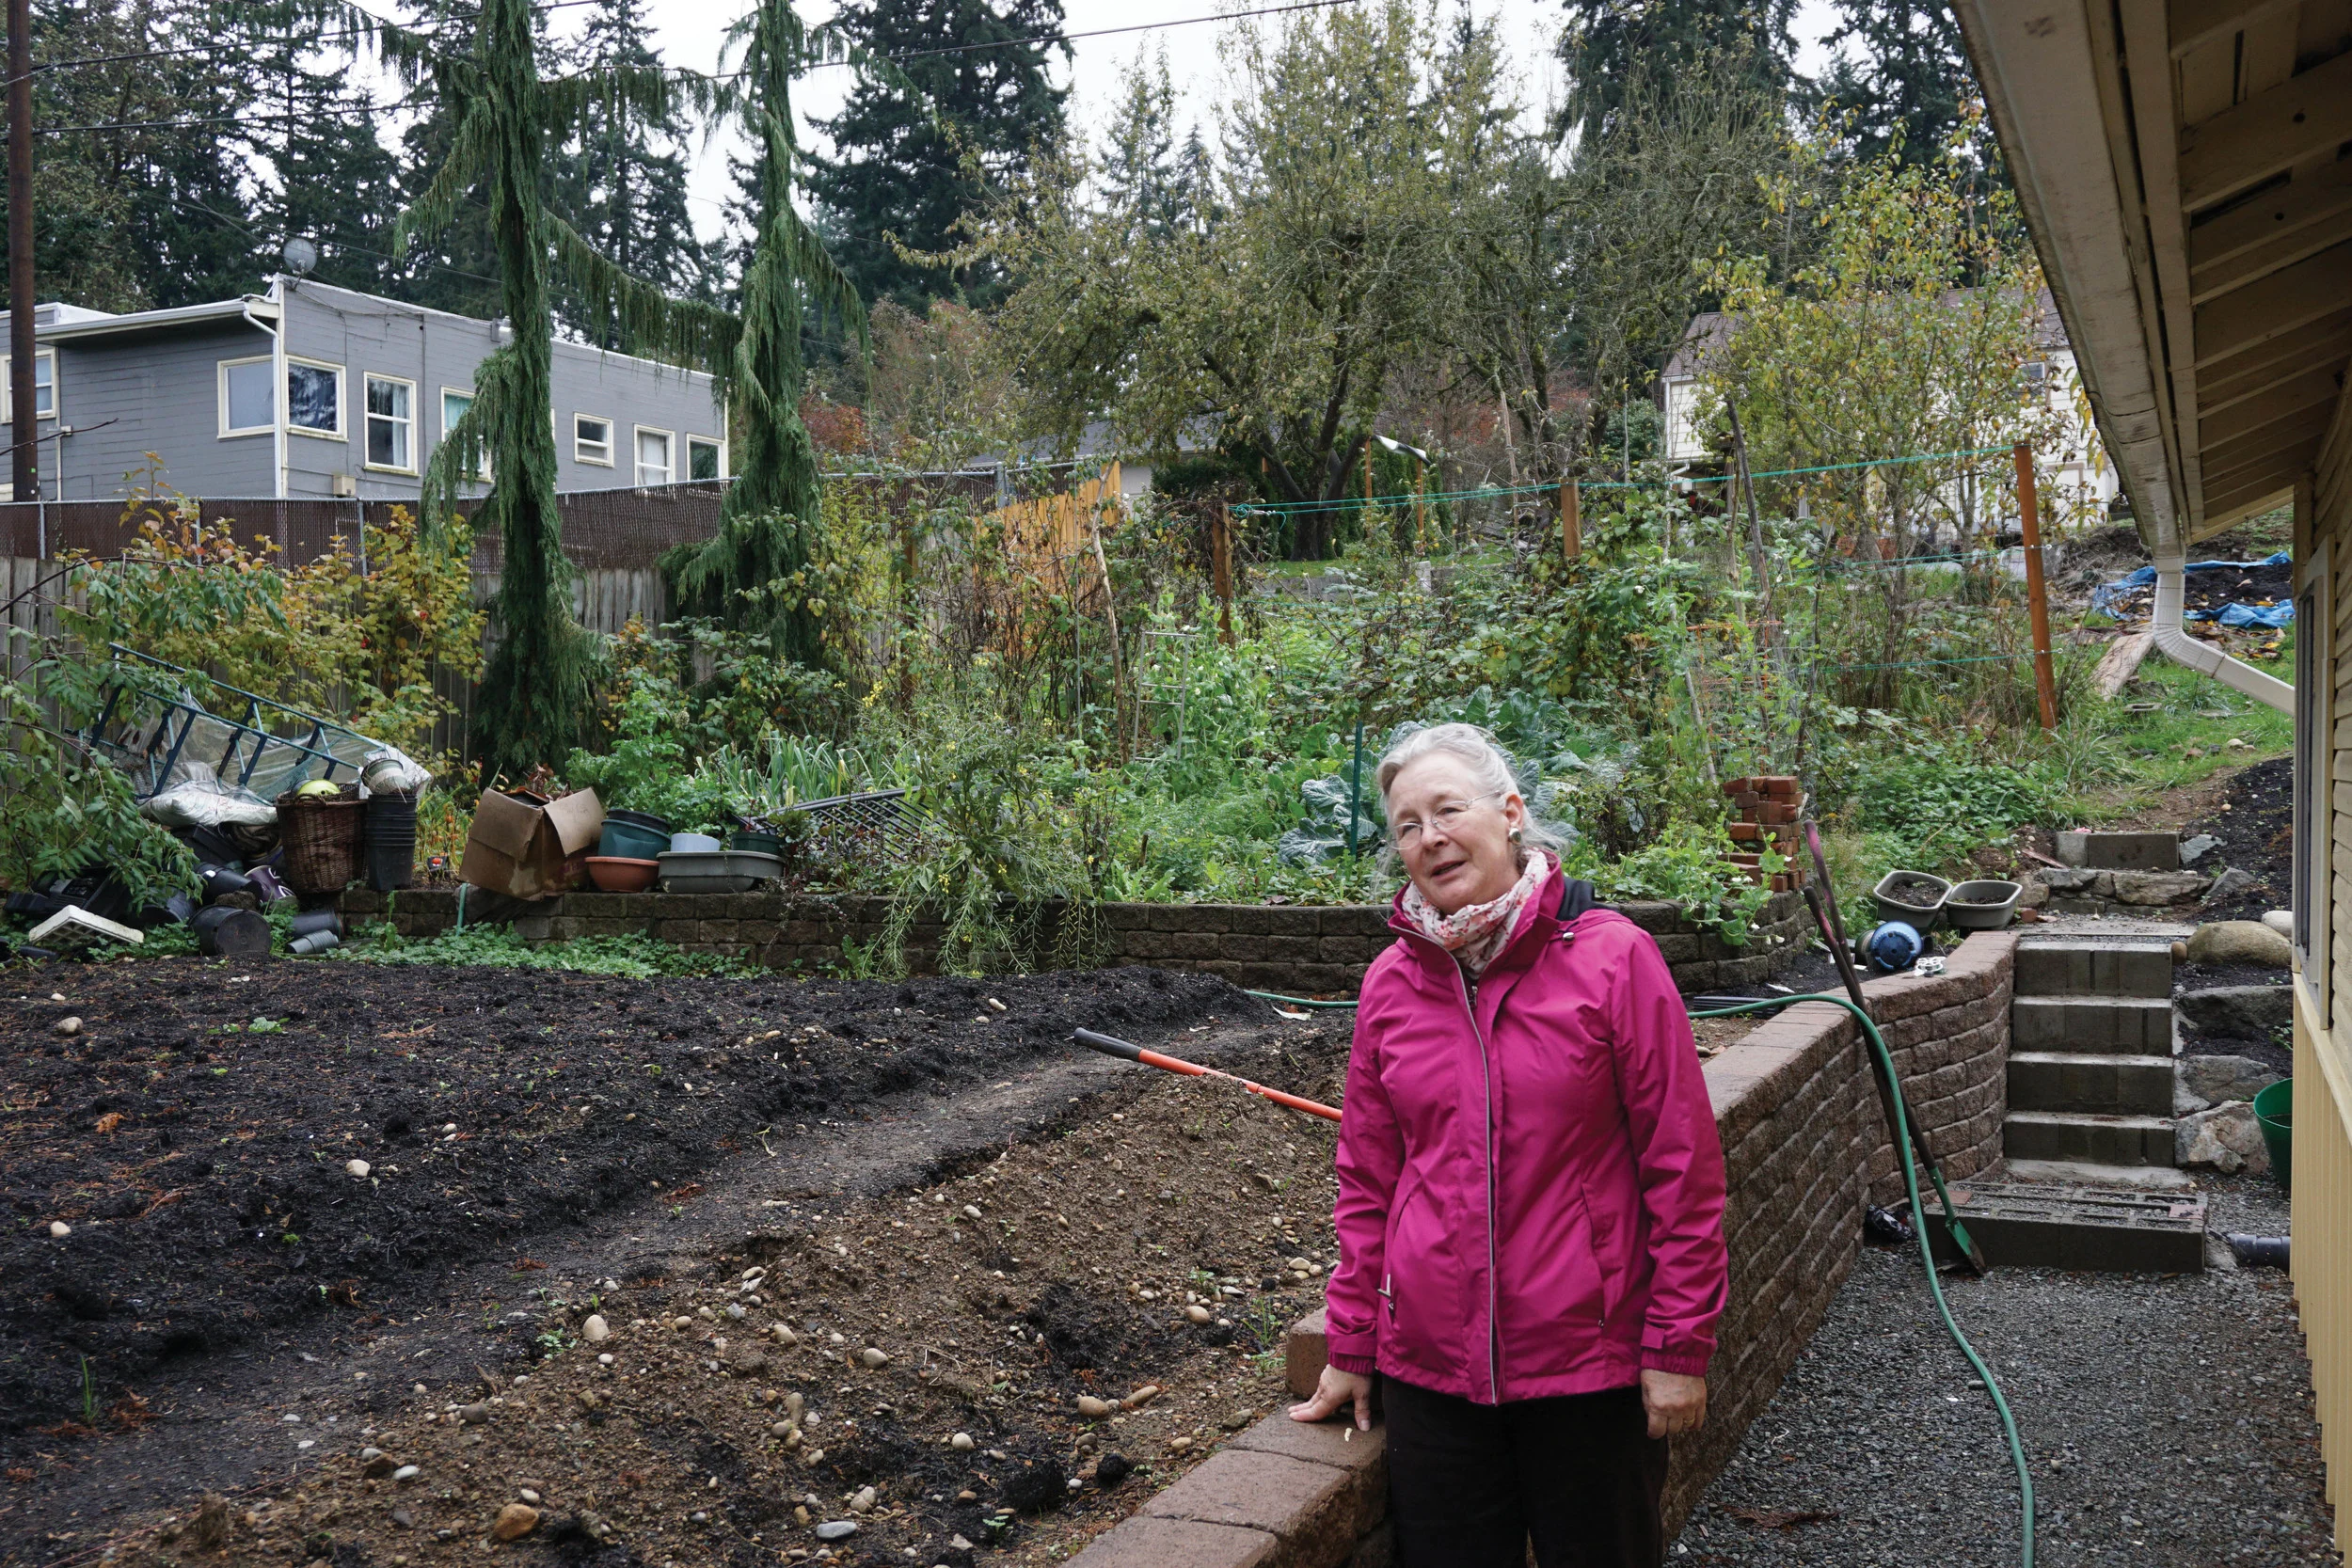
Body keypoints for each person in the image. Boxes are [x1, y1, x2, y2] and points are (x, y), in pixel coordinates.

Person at [1289, 722, 1728, 1568]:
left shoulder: (1613, 960)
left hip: (1588, 1370)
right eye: (1408, 825)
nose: (1430, 837)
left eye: (1448, 809)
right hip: (1432, 1375)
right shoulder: (1392, 982)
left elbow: (1682, 1167)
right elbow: (1368, 1178)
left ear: (1511, 812)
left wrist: (1678, 1348)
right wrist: (1350, 1343)